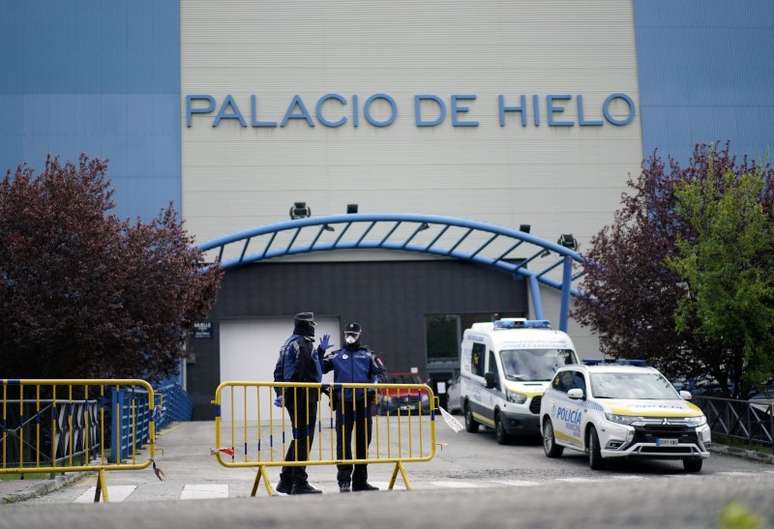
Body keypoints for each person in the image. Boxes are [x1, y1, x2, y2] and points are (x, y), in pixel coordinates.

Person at [273, 312, 333, 495]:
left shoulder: (288, 343)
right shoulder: (303, 343)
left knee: (299, 438)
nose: (313, 328)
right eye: (312, 324)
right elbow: (305, 370)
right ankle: (299, 483)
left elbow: (278, 371)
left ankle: (286, 480)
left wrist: (281, 393)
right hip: (303, 396)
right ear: (307, 325)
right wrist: (318, 387)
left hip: (294, 395)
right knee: (305, 438)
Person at [323, 322, 383, 492]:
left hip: (363, 403)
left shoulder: (368, 355)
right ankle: (344, 481)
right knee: (343, 443)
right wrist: (320, 351)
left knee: (363, 442)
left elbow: (380, 373)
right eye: (348, 334)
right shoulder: (335, 355)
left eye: (354, 334)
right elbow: (318, 368)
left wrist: (373, 387)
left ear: (359, 335)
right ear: (344, 335)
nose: (350, 337)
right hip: (343, 404)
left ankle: (360, 481)